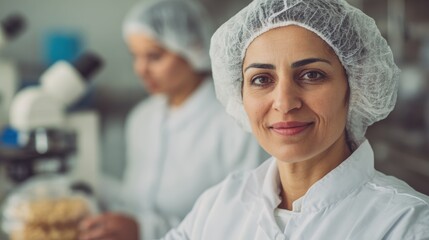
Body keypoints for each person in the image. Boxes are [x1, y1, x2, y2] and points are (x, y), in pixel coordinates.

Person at [162, 0, 429, 239]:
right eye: (261, 79)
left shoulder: (406, 224)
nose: (285, 103)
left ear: (355, 85)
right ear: (239, 93)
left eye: (312, 75)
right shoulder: (217, 207)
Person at [78, 0, 267, 239]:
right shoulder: (142, 117)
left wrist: (144, 230)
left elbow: (244, 222)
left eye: (154, 57)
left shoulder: (234, 122)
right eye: (135, 56)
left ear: (193, 48)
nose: (141, 69)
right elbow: (135, 199)